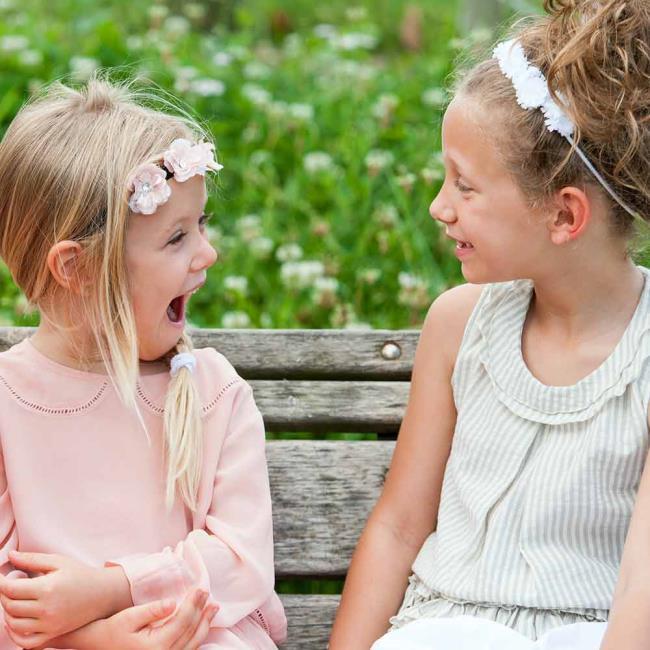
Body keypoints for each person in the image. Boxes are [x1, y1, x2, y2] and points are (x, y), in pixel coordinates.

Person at [329, 1, 650, 648]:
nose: (437, 207)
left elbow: (641, 587)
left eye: (465, 187)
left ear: (565, 216)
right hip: (442, 629)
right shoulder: (459, 325)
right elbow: (399, 525)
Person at [0, 77, 287, 649]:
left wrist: (113, 590)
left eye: (200, 225)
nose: (207, 253)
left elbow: (239, 561)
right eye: (176, 237)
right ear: (76, 269)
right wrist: (97, 642)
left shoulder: (211, 392)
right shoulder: (9, 405)